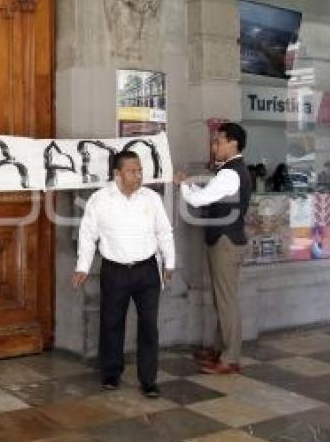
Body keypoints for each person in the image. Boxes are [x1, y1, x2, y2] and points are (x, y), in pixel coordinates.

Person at [73, 150, 175, 398]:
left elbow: (164, 232)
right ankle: (111, 374)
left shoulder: (151, 198)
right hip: (114, 270)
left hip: (147, 270)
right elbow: (88, 235)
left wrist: (169, 262)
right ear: (117, 173)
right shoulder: (100, 199)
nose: (138, 175)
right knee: (111, 323)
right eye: (132, 170)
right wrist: (83, 267)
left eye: (140, 170)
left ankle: (148, 380)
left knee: (149, 326)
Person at [175, 122, 251, 374]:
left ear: (233, 143)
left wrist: (183, 186)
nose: (214, 146)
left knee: (226, 301)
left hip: (225, 242)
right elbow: (209, 194)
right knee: (222, 299)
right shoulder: (231, 171)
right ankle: (221, 350)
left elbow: (199, 199)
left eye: (218, 141)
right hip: (225, 240)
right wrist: (189, 185)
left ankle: (230, 358)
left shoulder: (230, 173)